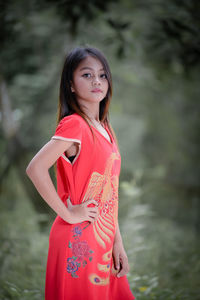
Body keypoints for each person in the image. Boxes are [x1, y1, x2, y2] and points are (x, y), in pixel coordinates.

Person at [26, 46, 135, 300]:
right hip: (78, 243)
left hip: (104, 241)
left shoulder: (106, 129)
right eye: (86, 75)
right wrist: (67, 213)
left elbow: (110, 195)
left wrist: (118, 244)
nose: (97, 80)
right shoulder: (75, 124)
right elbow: (35, 168)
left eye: (102, 75)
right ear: (71, 85)